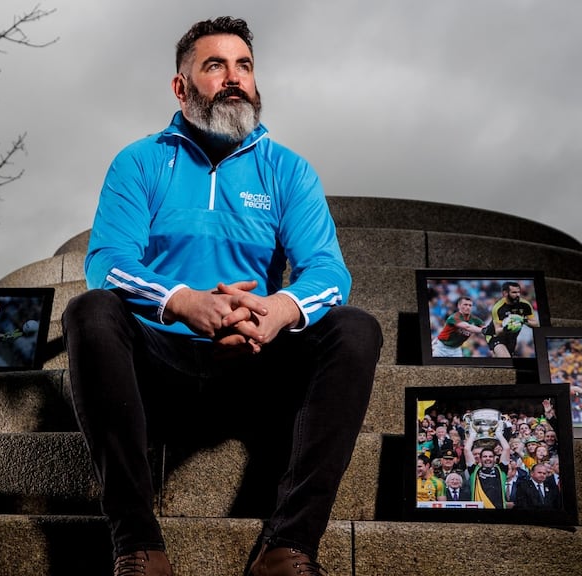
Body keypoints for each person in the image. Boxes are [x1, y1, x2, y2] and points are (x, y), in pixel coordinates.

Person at [60, 16, 382, 576]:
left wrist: (276, 312)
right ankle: (136, 545)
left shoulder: (289, 170)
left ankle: (290, 546)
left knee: (356, 327)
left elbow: (328, 271)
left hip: (255, 366)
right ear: (181, 86)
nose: (234, 79)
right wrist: (185, 302)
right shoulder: (138, 162)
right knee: (89, 311)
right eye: (215, 66)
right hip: (159, 369)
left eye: (244, 66)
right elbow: (107, 263)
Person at [481, 281, 539, 358]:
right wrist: (507, 328)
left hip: (512, 338)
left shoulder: (525, 305)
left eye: (518, 292)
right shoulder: (498, 307)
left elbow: (536, 324)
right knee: (506, 358)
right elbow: (498, 331)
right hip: (495, 336)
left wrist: (523, 320)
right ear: (505, 293)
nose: (518, 295)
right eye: (514, 292)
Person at [463, 419, 510, 509]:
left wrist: (499, 434)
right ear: (480, 459)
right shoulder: (474, 470)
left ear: (494, 458)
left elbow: (506, 449)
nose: (488, 459)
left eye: (490, 456)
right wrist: (473, 434)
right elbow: (466, 450)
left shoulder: (501, 469)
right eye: (485, 456)